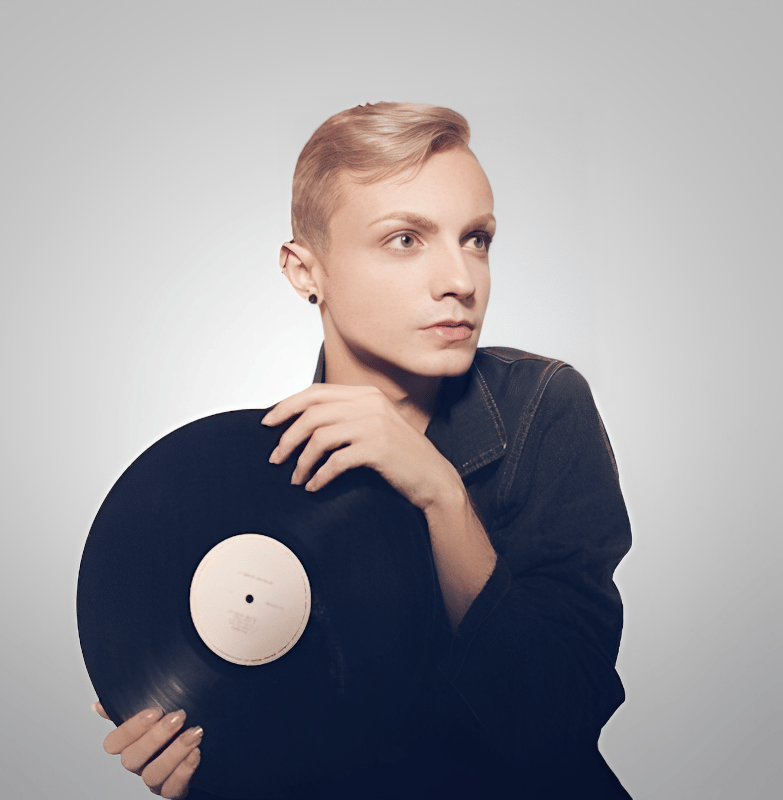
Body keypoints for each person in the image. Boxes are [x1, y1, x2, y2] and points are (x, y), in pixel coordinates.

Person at [90, 102, 632, 798]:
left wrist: (440, 494)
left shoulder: (541, 406)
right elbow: (313, 756)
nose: (461, 280)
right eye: (405, 239)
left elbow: (559, 719)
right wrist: (212, 770)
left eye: (476, 238)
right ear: (304, 271)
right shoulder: (253, 480)